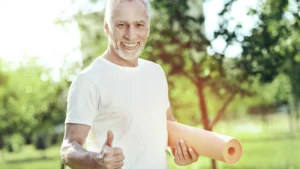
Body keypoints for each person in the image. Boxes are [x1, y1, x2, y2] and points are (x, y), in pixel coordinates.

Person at [60, 0, 199, 168]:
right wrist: (97, 160)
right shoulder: (89, 80)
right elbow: (68, 148)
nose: (131, 35)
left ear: (148, 28)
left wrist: (179, 150)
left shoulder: (156, 72)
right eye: (121, 25)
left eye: (139, 25)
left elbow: (167, 126)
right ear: (107, 27)